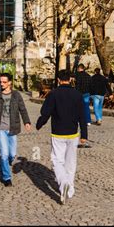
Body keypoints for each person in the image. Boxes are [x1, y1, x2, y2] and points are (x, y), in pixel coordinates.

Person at [36, 69, 88, 204]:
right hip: (73, 133)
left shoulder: (53, 94)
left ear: (58, 80)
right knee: (71, 162)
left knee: (57, 161)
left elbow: (45, 112)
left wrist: (39, 124)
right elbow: (83, 115)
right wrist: (84, 134)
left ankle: (63, 183)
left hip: (58, 132)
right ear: (70, 79)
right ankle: (69, 189)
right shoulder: (78, 95)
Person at [0, 73, 31, 186]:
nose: (2, 84)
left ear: (10, 82)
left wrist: (27, 122)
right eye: (1, 82)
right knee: (4, 154)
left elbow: (23, 109)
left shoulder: (16, 95)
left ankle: (10, 161)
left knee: (12, 154)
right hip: (0, 129)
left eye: (4, 82)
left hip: (13, 128)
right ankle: (7, 177)